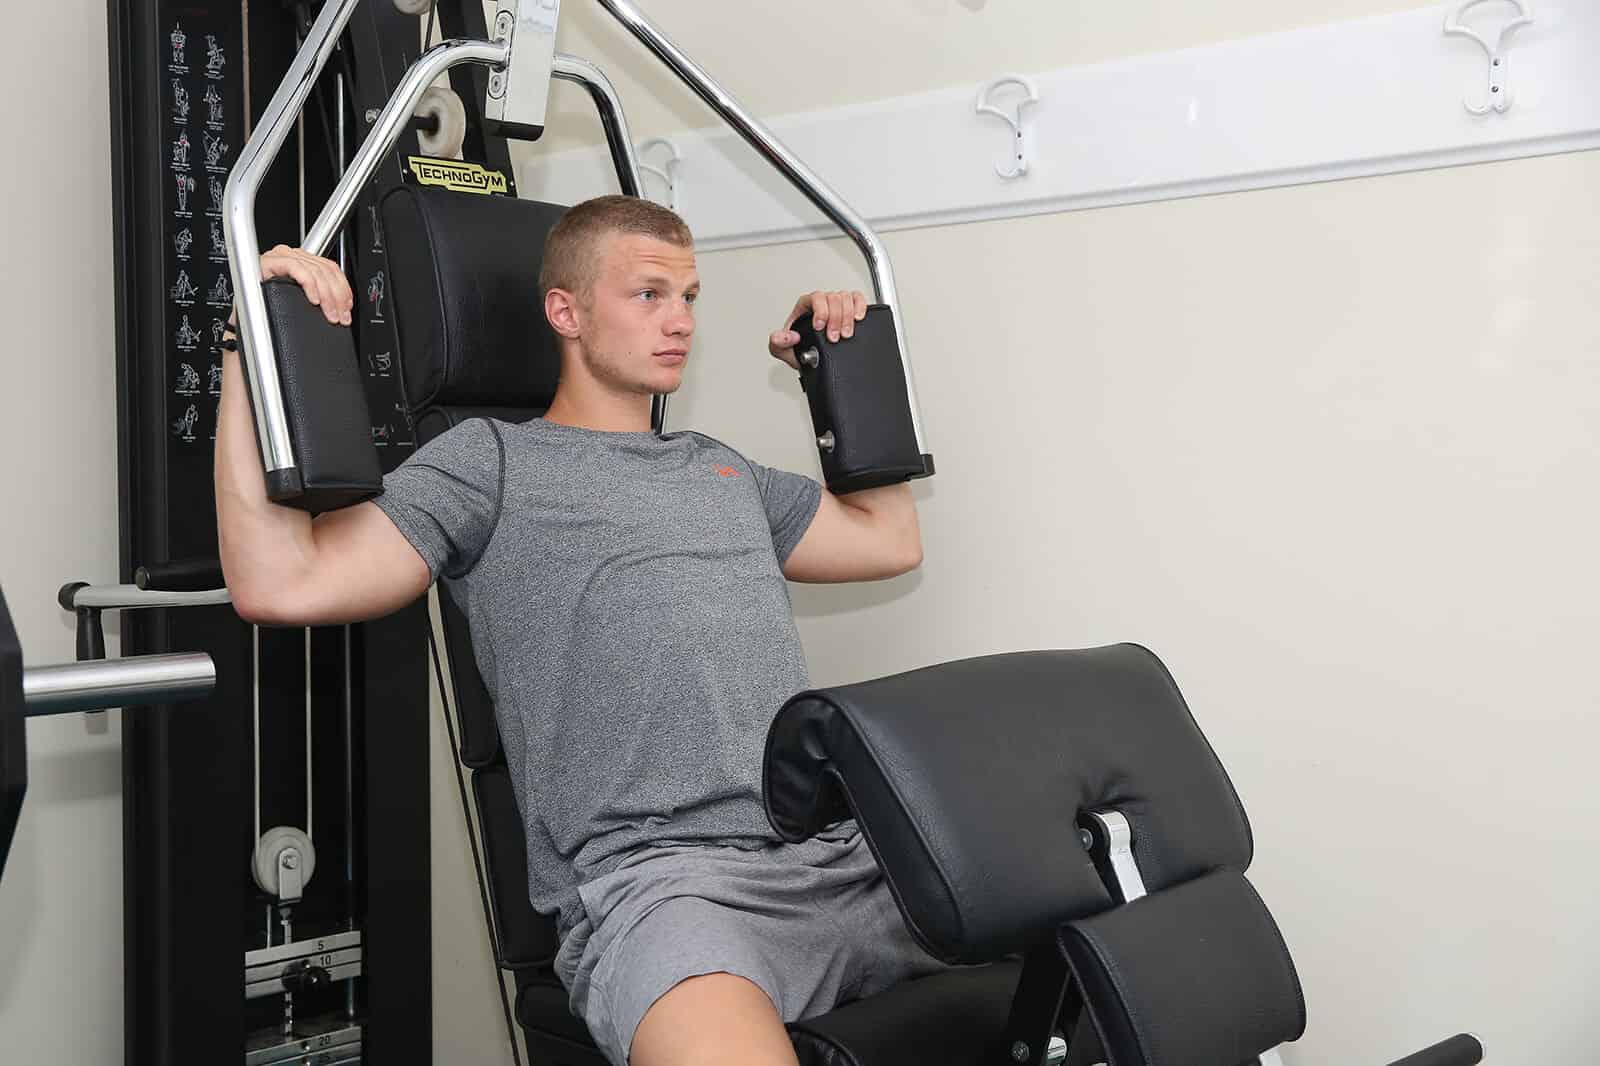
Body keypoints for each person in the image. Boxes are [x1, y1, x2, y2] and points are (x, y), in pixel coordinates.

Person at [216, 195, 954, 1066]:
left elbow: (889, 540)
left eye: (689, 297)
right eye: (649, 295)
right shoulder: (489, 464)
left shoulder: (721, 469)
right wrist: (249, 344)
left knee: (1075, 960)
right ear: (565, 312)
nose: (680, 321)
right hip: (667, 890)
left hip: (842, 855)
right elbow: (282, 581)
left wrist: (841, 374)